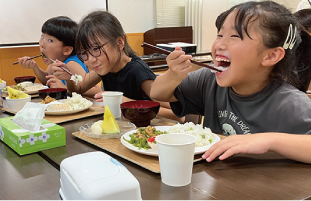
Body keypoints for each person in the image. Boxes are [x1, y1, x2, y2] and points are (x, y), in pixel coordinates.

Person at [150, 1, 311, 163]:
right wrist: (174, 75)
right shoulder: (209, 79)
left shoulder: (290, 103)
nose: (219, 44)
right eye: (219, 35)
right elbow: (157, 94)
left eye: (235, 36)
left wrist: (269, 140)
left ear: (271, 56)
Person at [51, 11, 184, 122]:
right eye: (84, 53)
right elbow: (79, 89)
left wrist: (124, 102)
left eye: (96, 49)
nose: (91, 60)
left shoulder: (137, 71)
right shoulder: (104, 68)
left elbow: (177, 115)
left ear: (120, 43)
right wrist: (69, 78)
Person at [18, 16, 101, 98]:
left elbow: (96, 90)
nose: (42, 44)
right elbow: (47, 80)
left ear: (67, 50)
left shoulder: (71, 64)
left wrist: (65, 88)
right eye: (42, 37)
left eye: (50, 40)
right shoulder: (55, 62)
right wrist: (35, 67)